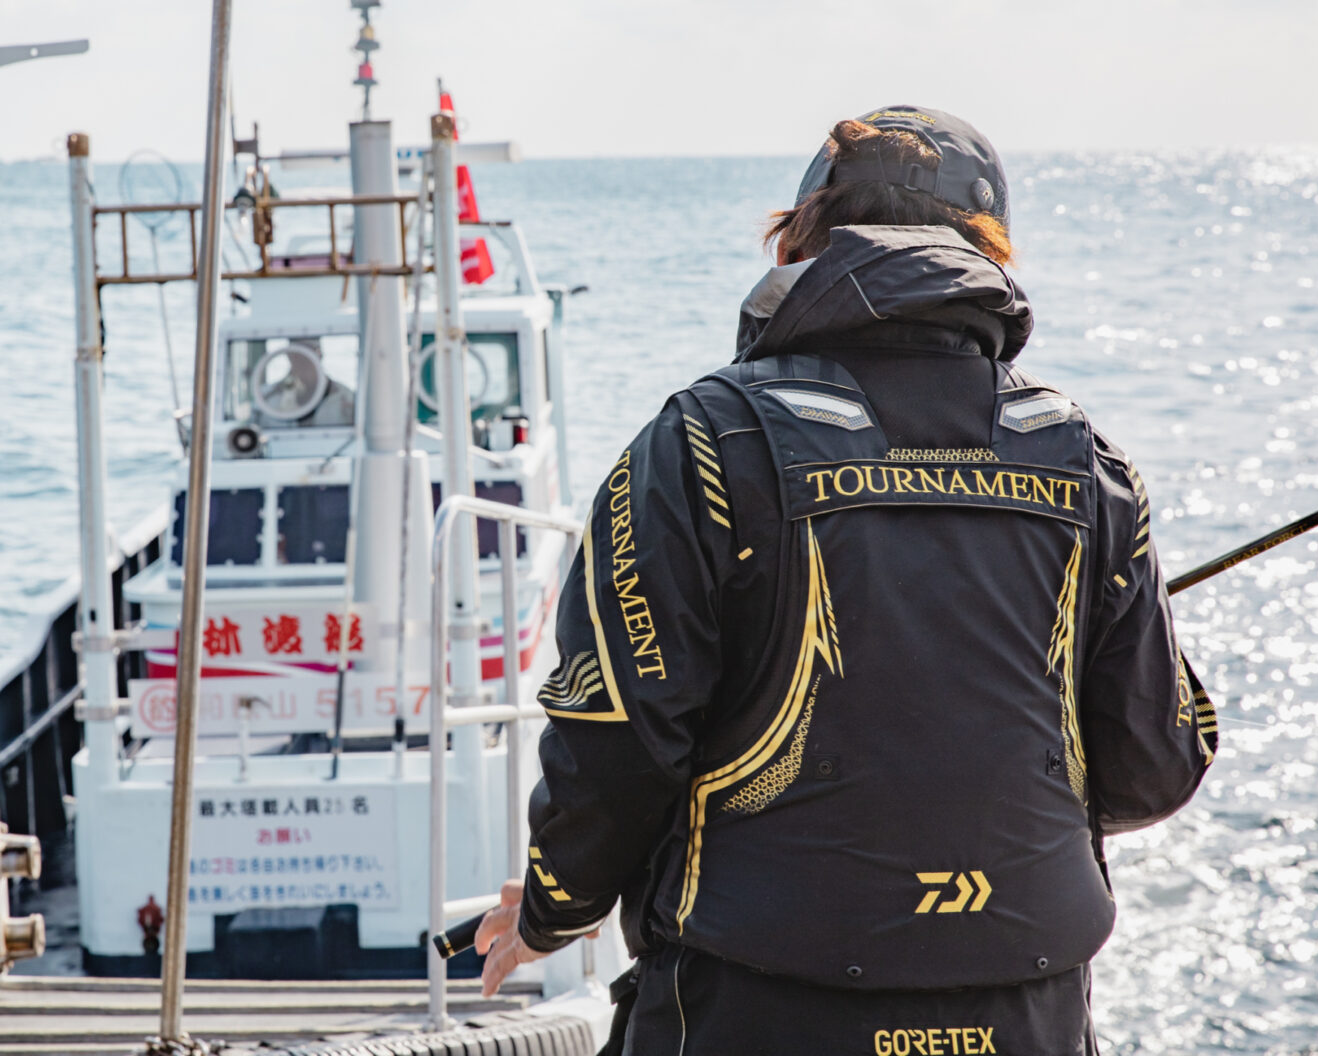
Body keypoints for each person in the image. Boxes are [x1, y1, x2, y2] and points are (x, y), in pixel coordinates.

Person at [473, 108, 1217, 1055]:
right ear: (989, 251)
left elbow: (616, 729)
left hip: (751, 1010)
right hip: (1028, 1016)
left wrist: (553, 904)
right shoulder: (1087, 461)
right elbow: (1157, 761)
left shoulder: (702, 442)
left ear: (801, 237)